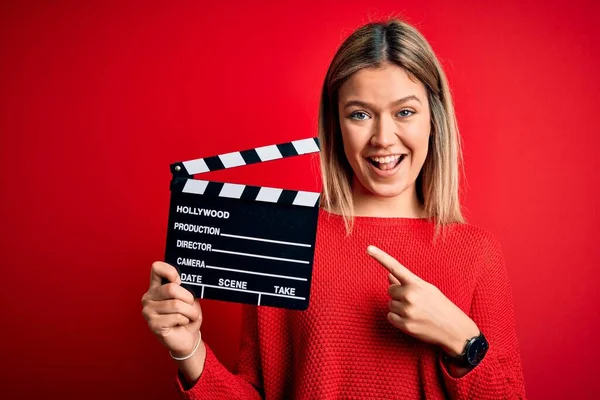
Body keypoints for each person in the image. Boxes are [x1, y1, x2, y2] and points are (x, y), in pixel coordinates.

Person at [141, 18, 527, 399]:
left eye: (405, 112)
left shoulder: (477, 253)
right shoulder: (286, 241)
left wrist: (462, 340)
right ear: (336, 125)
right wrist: (189, 350)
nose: (382, 138)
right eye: (360, 114)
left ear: (434, 121)